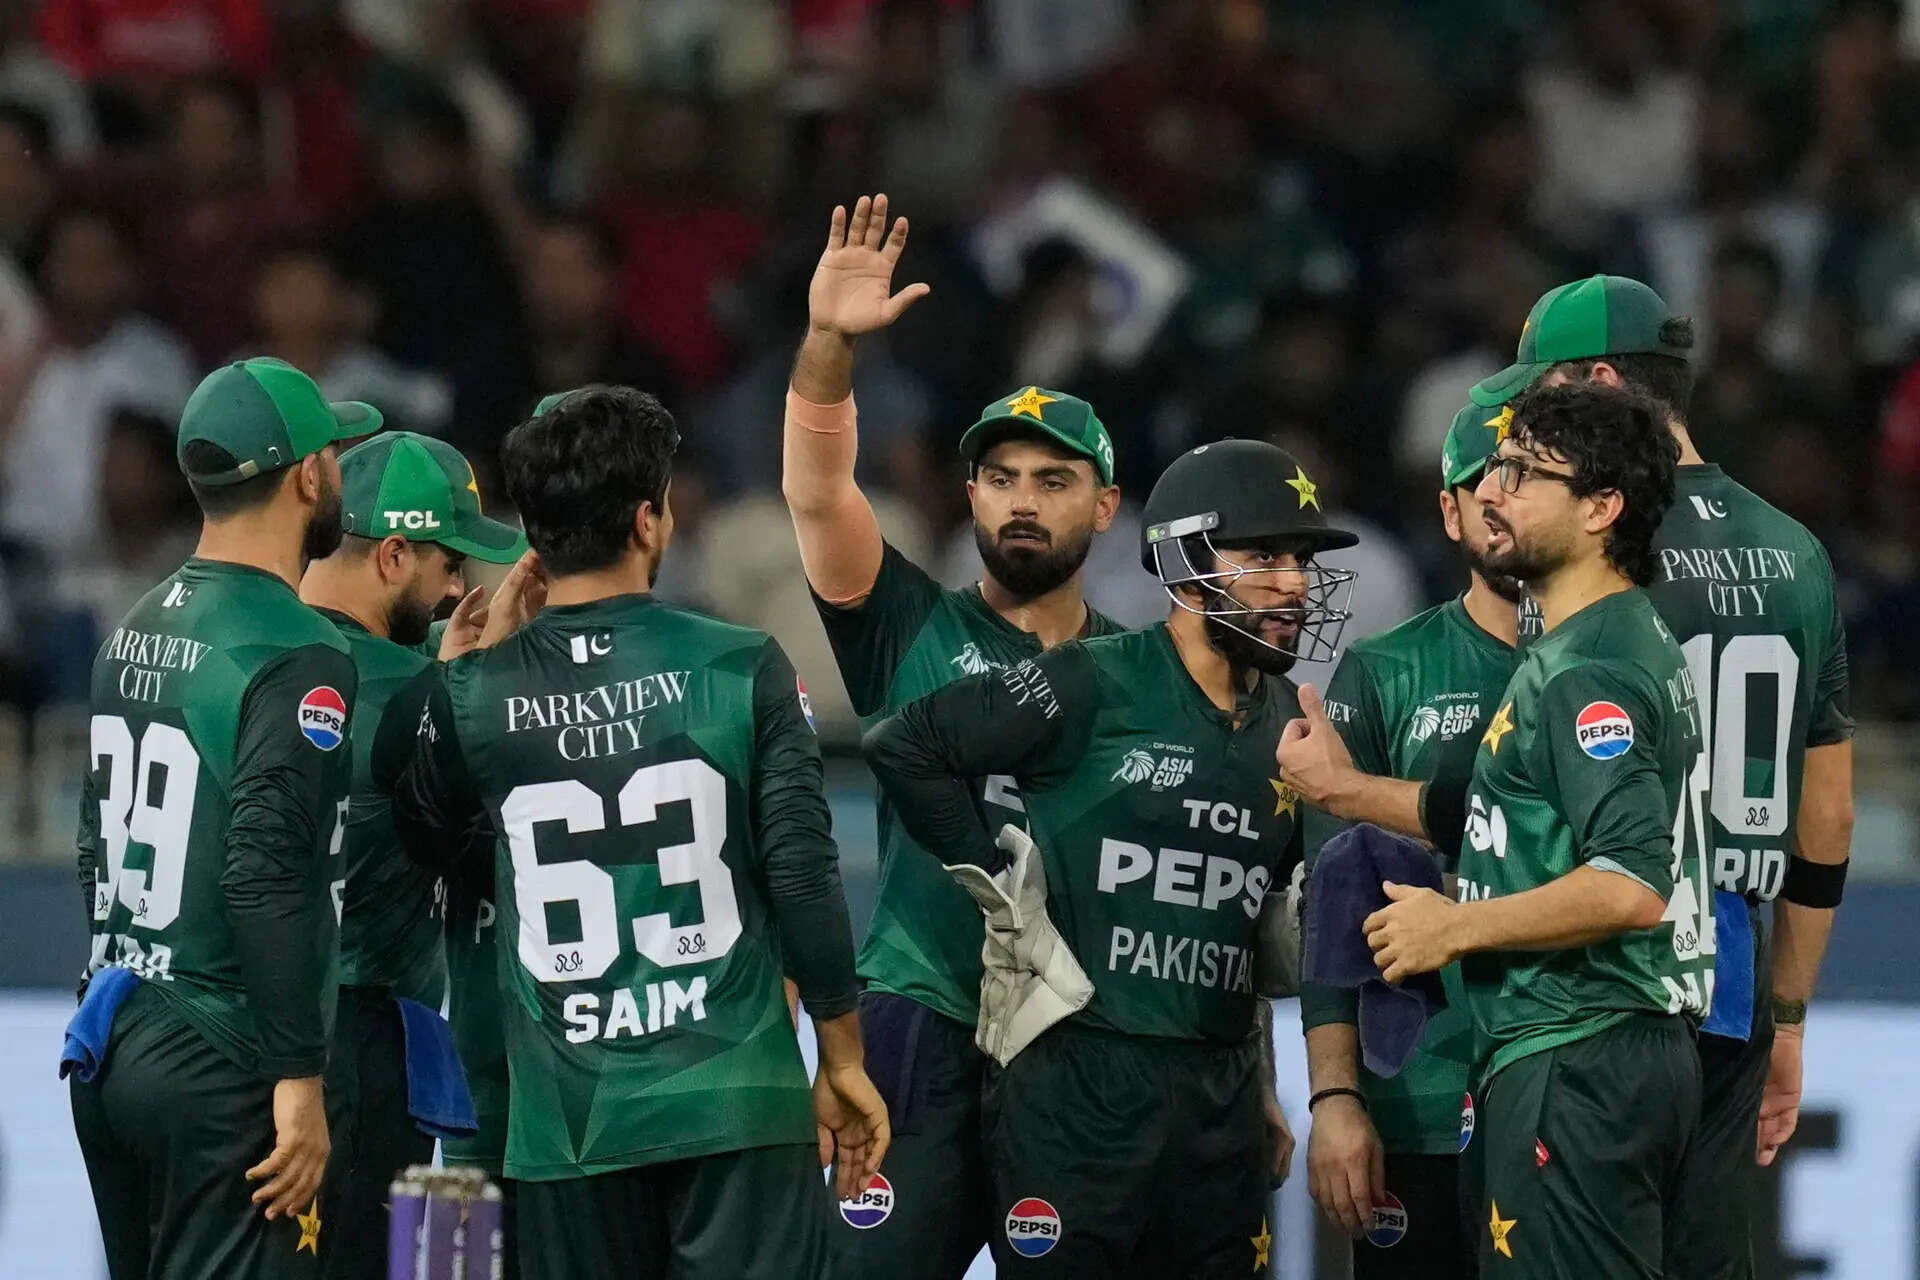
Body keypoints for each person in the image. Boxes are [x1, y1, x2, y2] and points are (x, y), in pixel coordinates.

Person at [389, 385, 888, 1280]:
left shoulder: (472, 697)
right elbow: (804, 875)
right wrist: (842, 1054)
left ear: (531, 536)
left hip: (565, 1127)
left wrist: (460, 672)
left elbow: (425, 835)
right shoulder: (741, 665)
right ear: (650, 520)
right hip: (736, 1103)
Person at [865, 437, 1356, 1276]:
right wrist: (994, 880)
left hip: (1217, 1103)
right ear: (1187, 561)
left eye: (1302, 560)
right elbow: (904, 745)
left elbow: (1254, 923)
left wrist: (1265, 1080)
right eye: (1265, 556)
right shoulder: (1092, 679)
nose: (1295, 584)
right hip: (1075, 1089)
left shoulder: (1296, 726)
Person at [1469, 276, 1854, 1279]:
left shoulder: (1591, 538)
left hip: (1606, 958)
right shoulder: (1799, 552)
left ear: (1602, 382)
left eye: (1544, 396)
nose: (1522, 428)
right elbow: (1828, 813)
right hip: (1735, 958)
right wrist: (1790, 1015)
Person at [781, 193, 1129, 1277]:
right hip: (915, 1019)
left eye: (1054, 481)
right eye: (1002, 478)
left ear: (1105, 506)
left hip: (1074, 1040)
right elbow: (817, 493)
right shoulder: (907, 623)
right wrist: (829, 345)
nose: (1023, 501)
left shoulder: (1141, 672)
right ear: (969, 493)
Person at [1356, 382, 1711, 1278]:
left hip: (1578, 1048)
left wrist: (1455, 926)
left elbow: (1632, 884)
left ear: (1600, 508)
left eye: (1521, 473)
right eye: (1494, 470)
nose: (1491, 491)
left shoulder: (1589, 670)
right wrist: (1353, 791)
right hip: (1585, 1049)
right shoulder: (1605, 638)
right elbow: (1518, 816)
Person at [68, 357, 377, 1278]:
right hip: (222, 1052)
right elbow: (266, 869)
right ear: (307, 476)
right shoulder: (296, 648)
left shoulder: (132, 625)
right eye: (333, 453)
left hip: (113, 1033)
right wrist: (298, 1075)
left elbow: (91, 847)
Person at [296, 430, 527, 1279]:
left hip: (243, 1034)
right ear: (394, 555)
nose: (459, 588)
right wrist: (477, 677)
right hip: (359, 1049)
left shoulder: (263, 650)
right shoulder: (412, 690)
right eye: (449, 563)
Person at [1299, 401, 1522, 1276]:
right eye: (1481, 486)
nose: (1503, 504)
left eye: (1524, 479)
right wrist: (1335, 1095)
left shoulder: (1614, 661)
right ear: (1449, 513)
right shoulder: (1385, 671)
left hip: (1572, 1088)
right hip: (1417, 1094)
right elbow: (1331, 904)